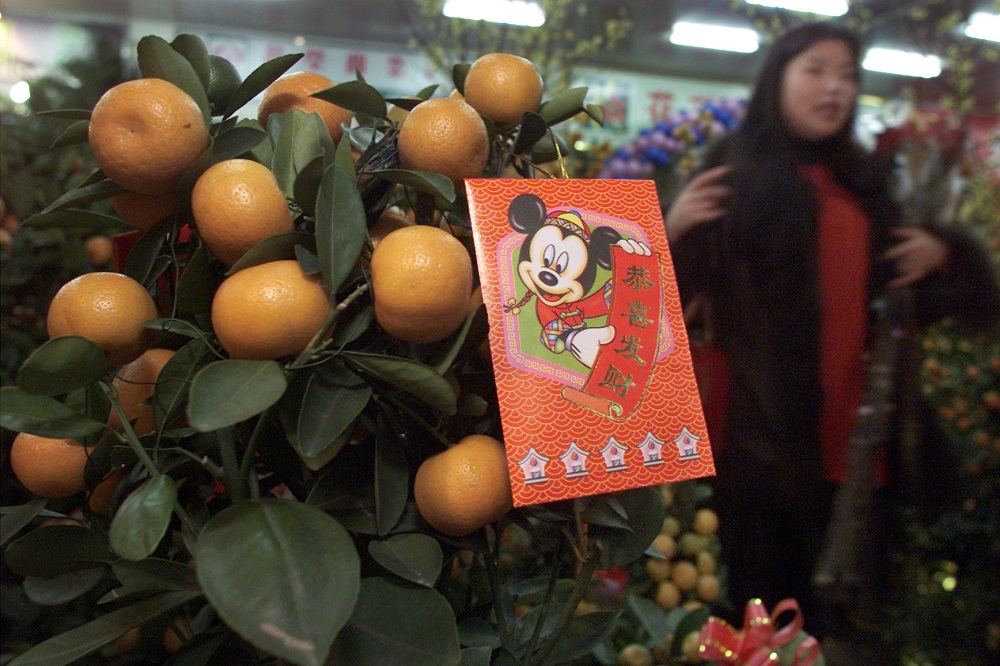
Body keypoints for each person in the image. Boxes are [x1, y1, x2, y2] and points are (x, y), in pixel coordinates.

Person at [663, 20, 1000, 658]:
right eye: (815, 70)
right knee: (751, 620)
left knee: (839, 629)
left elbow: (920, 299)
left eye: (847, 75)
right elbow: (662, 302)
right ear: (778, 80)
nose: (834, 88)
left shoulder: (865, 185)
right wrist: (669, 230)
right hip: (754, 451)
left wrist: (946, 254)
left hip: (855, 451)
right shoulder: (733, 175)